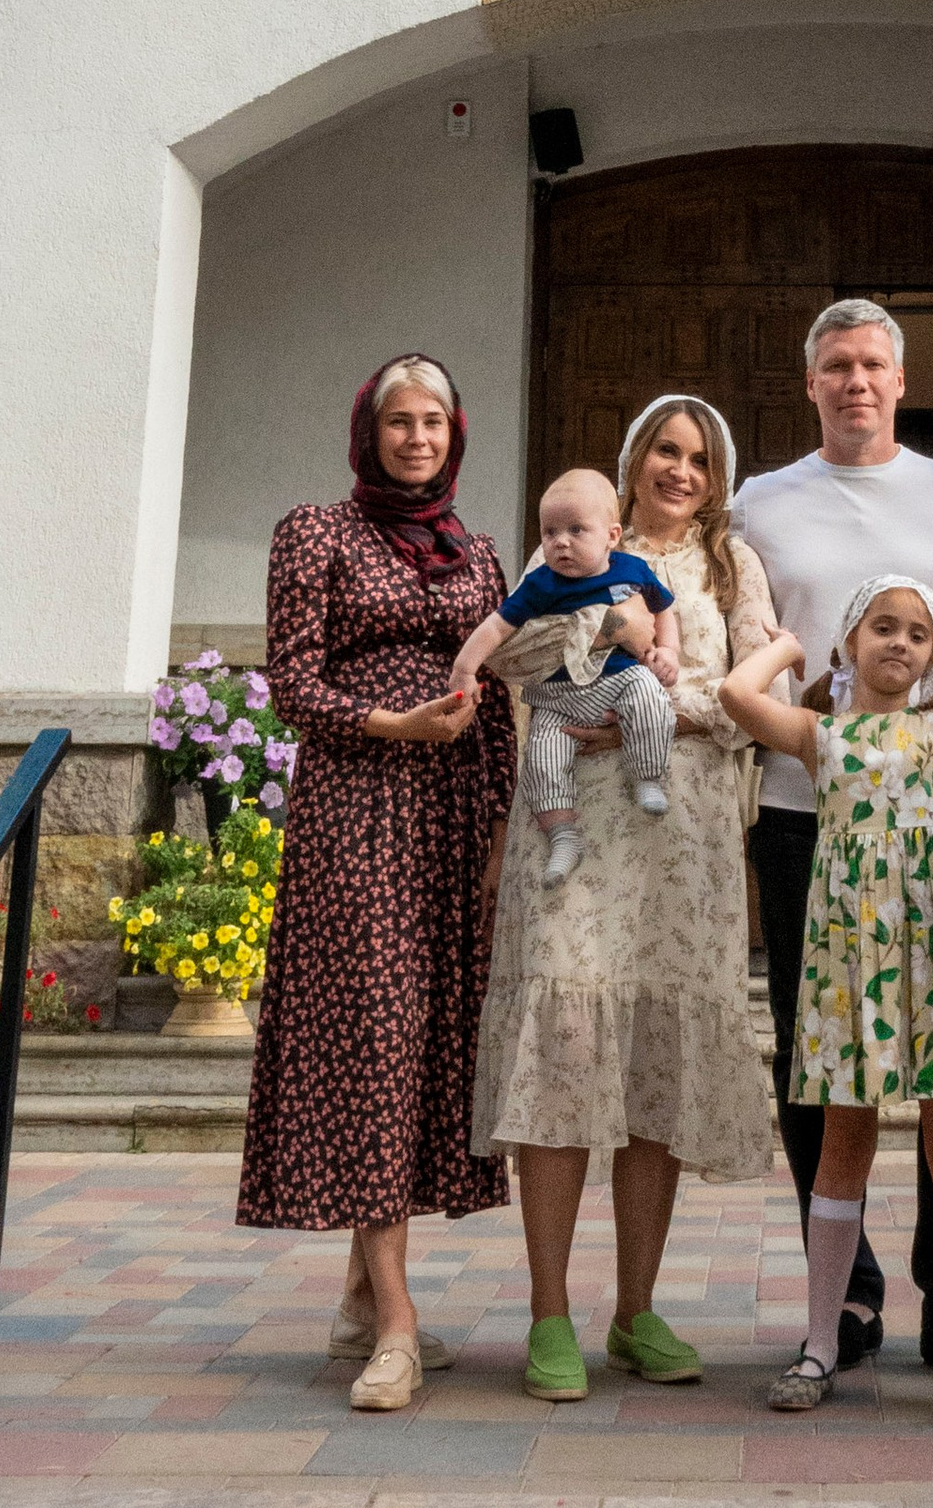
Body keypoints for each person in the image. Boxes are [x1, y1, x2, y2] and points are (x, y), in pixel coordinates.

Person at [734, 295, 933, 1382]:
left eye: (871, 363)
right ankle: (845, 1295)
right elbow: (738, 640)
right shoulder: (759, 499)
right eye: (834, 365)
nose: (854, 380)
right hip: (799, 805)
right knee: (818, 1059)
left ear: (899, 379)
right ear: (809, 380)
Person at [472, 393, 780, 1401]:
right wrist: (588, 660)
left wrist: (660, 704)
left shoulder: (732, 567)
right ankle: (548, 1310)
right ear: (631, 461)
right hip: (572, 834)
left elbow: (756, 691)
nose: (678, 468)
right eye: (663, 449)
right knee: (561, 1051)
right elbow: (512, 659)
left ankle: (636, 1306)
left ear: (715, 473)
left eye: (697, 455)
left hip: (680, 850)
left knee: (654, 1067)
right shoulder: (573, 542)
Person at [237, 352, 517, 1415]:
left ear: (455, 432)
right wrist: (390, 723)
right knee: (373, 1038)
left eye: (433, 419)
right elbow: (290, 676)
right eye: (397, 420)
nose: (416, 436)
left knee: (424, 1039)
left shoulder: (478, 549)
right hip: (358, 811)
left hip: (453, 819)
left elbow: (494, 698)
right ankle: (396, 1319)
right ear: (369, 431)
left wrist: (496, 833)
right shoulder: (316, 530)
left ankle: (363, 1294)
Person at [722, 576, 933, 1428]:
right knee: (842, 1144)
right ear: (851, 641)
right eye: (881, 627)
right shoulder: (818, 732)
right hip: (852, 960)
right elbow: (739, 695)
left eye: (918, 633)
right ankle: (820, 1341)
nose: (899, 643)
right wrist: (787, 649)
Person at [450, 466, 681, 886]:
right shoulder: (541, 584)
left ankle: (648, 775)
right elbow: (495, 629)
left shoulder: (632, 570)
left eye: (577, 530)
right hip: (556, 696)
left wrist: (668, 651)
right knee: (541, 759)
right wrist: (465, 667)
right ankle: (562, 835)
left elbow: (664, 609)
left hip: (616, 681)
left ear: (611, 536)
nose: (561, 542)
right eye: (550, 531)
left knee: (649, 693)